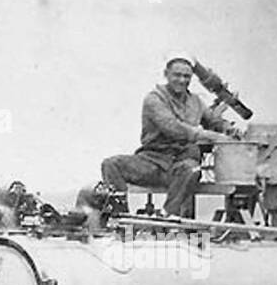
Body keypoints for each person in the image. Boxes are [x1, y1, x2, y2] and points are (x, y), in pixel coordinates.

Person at [100, 54, 239, 218]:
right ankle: (120, 217)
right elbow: (173, 127)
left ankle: (168, 215)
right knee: (111, 164)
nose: (182, 80)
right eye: (177, 75)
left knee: (192, 169)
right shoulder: (154, 99)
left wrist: (227, 128)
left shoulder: (196, 101)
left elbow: (213, 121)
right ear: (166, 74)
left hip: (180, 162)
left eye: (187, 76)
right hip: (152, 161)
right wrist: (212, 136)